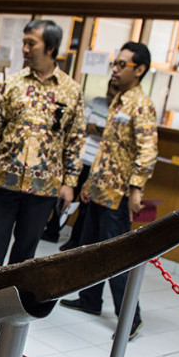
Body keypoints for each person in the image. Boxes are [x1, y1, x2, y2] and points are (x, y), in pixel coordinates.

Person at [60, 42, 158, 340]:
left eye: (121, 65)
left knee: (116, 258)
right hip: (99, 189)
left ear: (139, 70)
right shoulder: (118, 100)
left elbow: (147, 151)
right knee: (90, 250)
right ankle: (90, 300)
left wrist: (137, 189)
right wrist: (88, 185)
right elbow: (107, 149)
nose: (114, 70)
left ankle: (131, 318)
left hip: (118, 196)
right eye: (114, 64)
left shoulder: (140, 105)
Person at [0, 19, 85, 267]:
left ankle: (11, 301)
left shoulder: (71, 90)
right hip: (5, 181)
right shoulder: (13, 83)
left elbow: (75, 140)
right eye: (24, 42)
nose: (24, 48)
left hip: (44, 187)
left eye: (31, 43)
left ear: (50, 48)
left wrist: (70, 183)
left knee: (25, 252)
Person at [55, 81, 116, 251]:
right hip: (81, 158)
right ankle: (53, 230)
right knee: (64, 198)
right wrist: (93, 128)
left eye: (113, 94)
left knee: (84, 207)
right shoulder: (96, 102)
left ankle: (75, 242)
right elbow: (82, 125)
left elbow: (113, 136)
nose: (109, 97)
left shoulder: (121, 109)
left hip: (98, 165)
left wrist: (98, 129)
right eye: (108, 93)